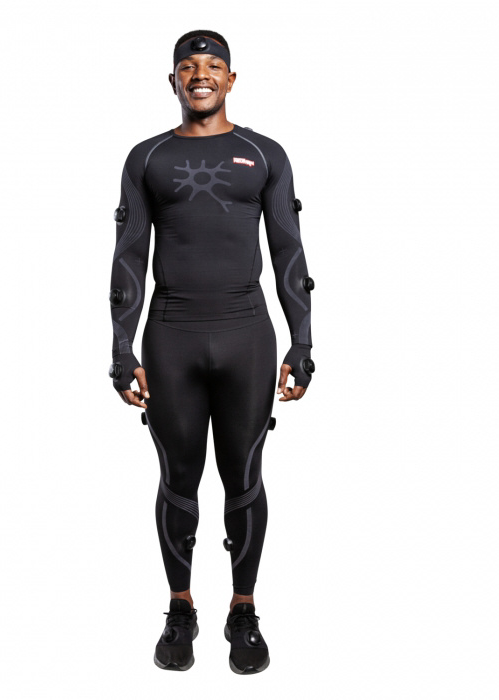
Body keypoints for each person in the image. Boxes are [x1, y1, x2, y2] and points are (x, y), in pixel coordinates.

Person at [108, 30, 315, 674]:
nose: (201, 74)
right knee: (177, 477)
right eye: (189, 66)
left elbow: (289, 251)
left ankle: (243, 610)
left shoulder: (265, 154)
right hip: (170, 335)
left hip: (246, 334)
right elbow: (128, 259)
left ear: (231, 79)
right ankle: (180, 608)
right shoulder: (147, 158)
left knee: (244, 475)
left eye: (214, 65)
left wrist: (302, 342)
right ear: (173, 80)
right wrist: (122, 349)